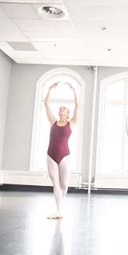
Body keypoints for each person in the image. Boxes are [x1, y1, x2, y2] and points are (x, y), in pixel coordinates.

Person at [45, 82, 78, 219]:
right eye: (60, 110)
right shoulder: (53, 121)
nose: (61, 112)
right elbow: (46, 104)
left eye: (64, 110)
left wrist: (74, 90)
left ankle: (60, 208)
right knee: (56, 183)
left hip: (65, 156)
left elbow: (78, 105)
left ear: (67, 113)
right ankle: (58, 211)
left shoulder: (72, 123)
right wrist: (50, 89)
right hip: (51, 155)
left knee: (64, 185)